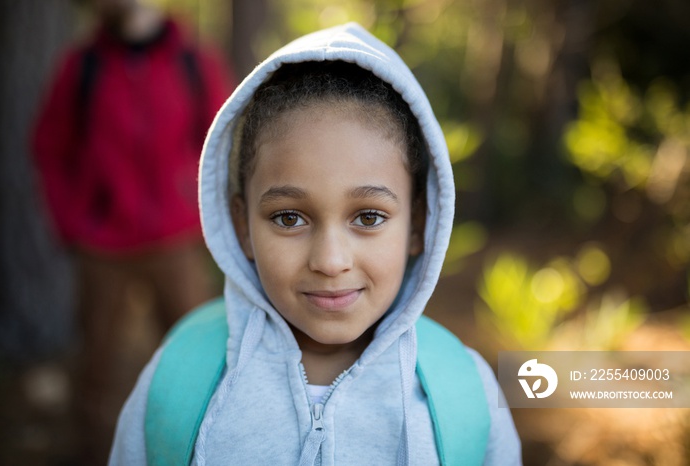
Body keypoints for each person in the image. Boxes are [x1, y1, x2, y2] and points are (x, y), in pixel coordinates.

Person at [109, 23, 521, 465]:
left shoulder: (464, 395)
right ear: (242, 226)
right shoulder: (178, 381)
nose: (330, 261)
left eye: (368, 217)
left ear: (418, 223)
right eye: (289, 218)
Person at [31, 0, 235, 461]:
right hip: (102, 243)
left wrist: (204, 214)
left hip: (177, 240)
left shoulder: (194, 60)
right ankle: (94, 454)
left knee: (199, 359)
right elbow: (48, 147)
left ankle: (197, 451)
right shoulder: (81, 67)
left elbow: (220, 142)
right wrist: (73, 222)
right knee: (97, 369)